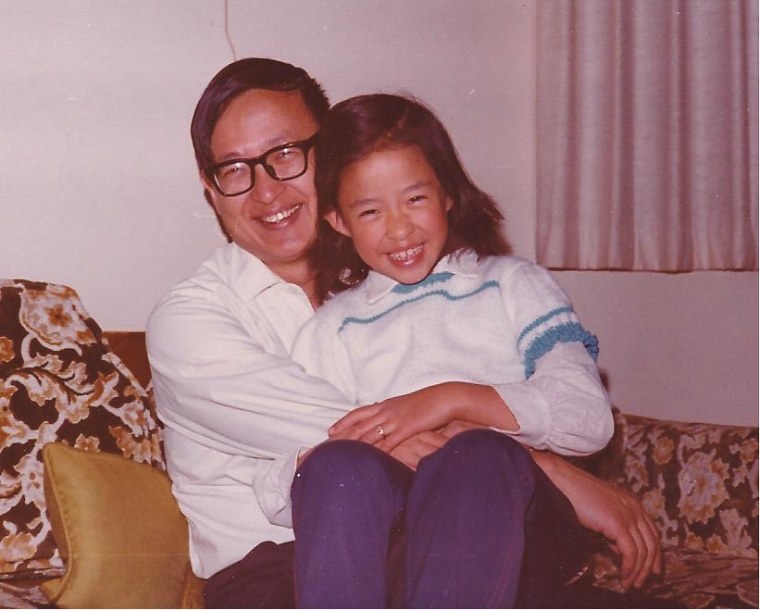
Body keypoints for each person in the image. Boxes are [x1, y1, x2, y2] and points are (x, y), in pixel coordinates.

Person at [146, 58, 662, 608]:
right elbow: (357, 433)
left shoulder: (417, 283)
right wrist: (550, 470)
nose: (265, 191)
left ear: (329, 157)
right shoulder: (192, 318)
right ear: (211, 187)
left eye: (285, 155)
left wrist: (476, 429)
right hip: (282, 570)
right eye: (234, 168)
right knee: (346, 467)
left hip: (446, 535)